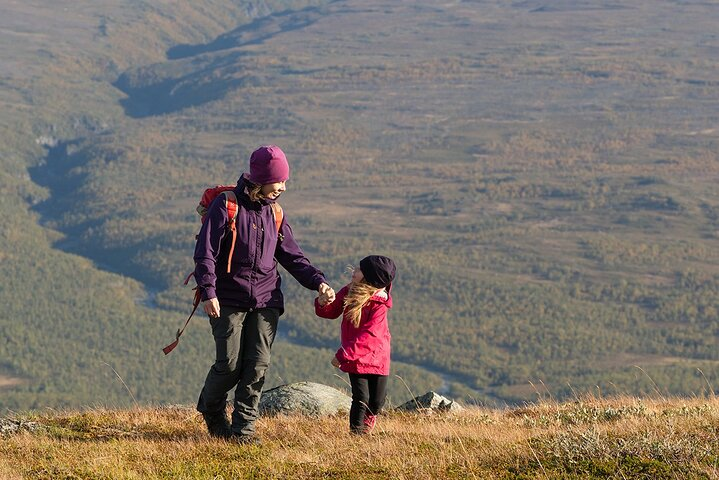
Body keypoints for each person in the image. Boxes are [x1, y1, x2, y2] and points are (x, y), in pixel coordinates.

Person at [194, 145, 335, 444]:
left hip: (266, 299)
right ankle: (212, 408)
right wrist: (208, 291)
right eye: (278, 181)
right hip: (227, 298)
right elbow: (205, 252)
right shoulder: (226, 205)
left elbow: (293, 257)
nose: (283, 188)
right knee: (230, 366)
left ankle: (243, 432)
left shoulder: (275, 213)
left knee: (257, 365)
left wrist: (318, 282)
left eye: (285, 182)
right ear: (261, 178)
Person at [315, 255, 396, 434]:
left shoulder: (379, 305)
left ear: (369, 277)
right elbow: (331, 311)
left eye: (359, 270)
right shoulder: (349, 291)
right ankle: (356, 434)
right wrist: (322, 303)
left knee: (377, 401)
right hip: (356, 359)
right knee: (361, 398)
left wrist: (343, 354)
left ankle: (369, 419)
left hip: (376, 358)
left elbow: (371, 336)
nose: (354, 271)